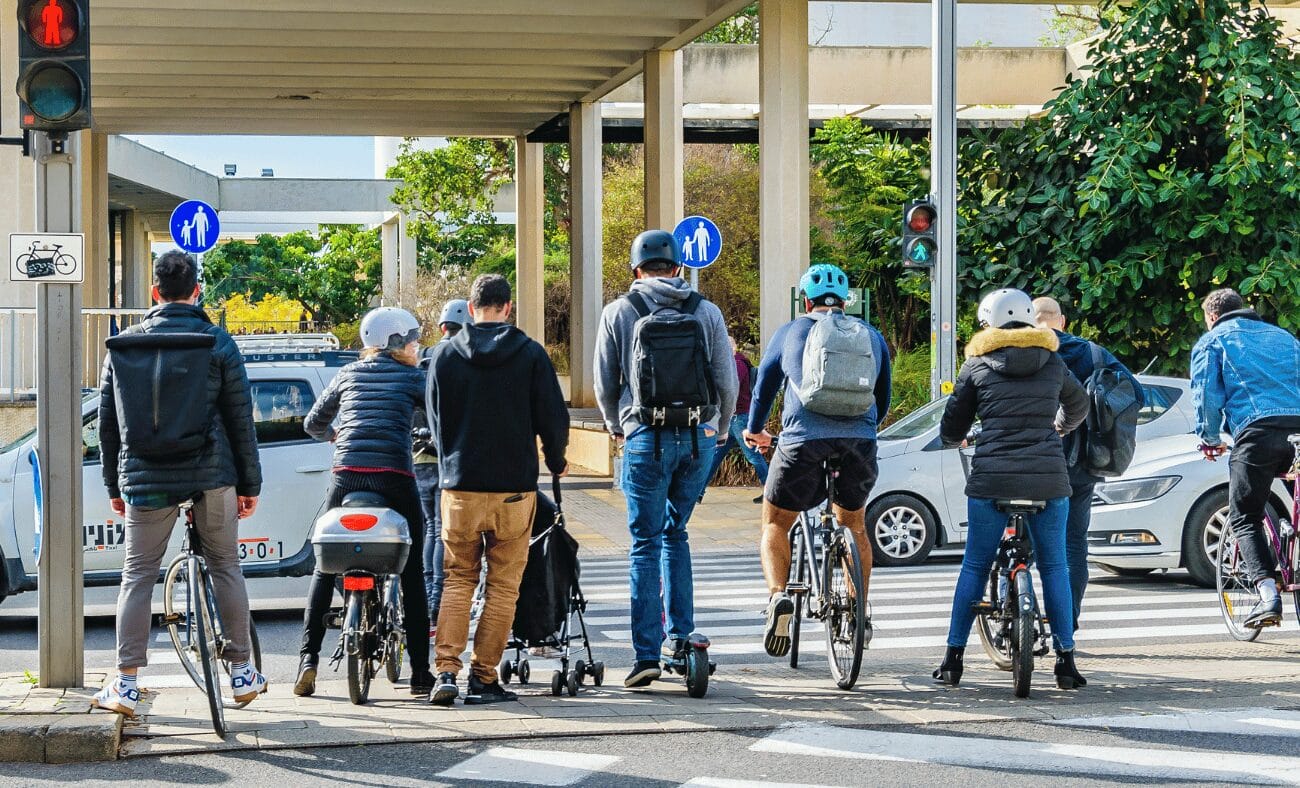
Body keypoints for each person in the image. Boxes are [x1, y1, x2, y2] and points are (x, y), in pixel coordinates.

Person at [93, 250, 266, 715]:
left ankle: (126, 683)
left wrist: (114, 486)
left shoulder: (123, 347)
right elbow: (239, 421)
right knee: (226, 564)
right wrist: (249, 484)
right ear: (196, 292)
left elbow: (110, 426)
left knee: (137, 574)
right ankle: (243, 672)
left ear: (154, 293)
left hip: (146, 479)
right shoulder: (218, 343)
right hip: (212, 476)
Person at [594, 229, 738, 688]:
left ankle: (645, 655)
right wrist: (719, 428)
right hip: (697, 438)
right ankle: (682, 638)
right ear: (678, 268)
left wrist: (618, 426)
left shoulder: (620, 311)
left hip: (644, 438)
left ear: (636, 270)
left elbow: (604, 382)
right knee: (677, 534)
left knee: (644, 544)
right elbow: (726, 380)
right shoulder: (706, 311)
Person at [933, 288, 1089, 690]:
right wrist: (1059, 427)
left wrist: (960, 438)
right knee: (1055, 565)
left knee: (975, 565)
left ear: (989, 324)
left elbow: (951, 426)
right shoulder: (1054, 363)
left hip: (992, 478)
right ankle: (1066, 662)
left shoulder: (977, 365)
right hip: (1048, 477)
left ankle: (952, 660)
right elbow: (1080, 405)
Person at [426, 274, 569, 706]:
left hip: (460, 488)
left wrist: (452, 459)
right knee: (503, 588)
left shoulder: (445, 355)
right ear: (508, 308)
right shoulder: (529, 354)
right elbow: (552, 418)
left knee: (457, 580)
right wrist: (556, 459)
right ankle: (484, 678)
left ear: (471, 309)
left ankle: (446, 673)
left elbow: (436, 421)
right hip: (514, 489)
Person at [744, 263, 891, 659]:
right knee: (854, 525)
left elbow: (764, 390)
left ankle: (778, 597)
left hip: (801, 442)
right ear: (846, 302)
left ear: (805, 300)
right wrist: (863, 431)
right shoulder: (870, 336)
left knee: (776, 521)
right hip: (859, 442)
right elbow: (884, 395)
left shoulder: (790, 332)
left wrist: (756, 430)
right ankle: (858, 608)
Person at [295, 307, 433, 699]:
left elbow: (312, 424)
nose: (416, 345)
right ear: (396, 343)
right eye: (412, 339)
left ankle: (308, 660)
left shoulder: (347, 374)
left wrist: (336, 436)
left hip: (347, 475)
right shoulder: (412, 378)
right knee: (413, 568)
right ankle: (422, 673)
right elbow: (437, 417)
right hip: (395, 477)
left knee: (324, 566)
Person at [1033, 296, 1144, 629]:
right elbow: (1136, 394)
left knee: (1036, 542)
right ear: (1062, 321)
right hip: (1083, 463)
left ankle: (1024, 607)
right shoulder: (1093, 353)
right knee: (1074, 544)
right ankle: (1069, 619)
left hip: (1036, 460)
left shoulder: (1027, 354)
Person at [1192, 288, 1300, 628]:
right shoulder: (1284, 338)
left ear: (1211, 317)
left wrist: (1209, 439)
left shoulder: (1213, 342)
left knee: (1245, 516)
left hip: (1259, 433)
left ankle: (1268, 595)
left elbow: (1207, 396)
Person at [415, 299, 473, 640]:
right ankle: (435, 602)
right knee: (441, 530)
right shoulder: (463, 360)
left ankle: (425, 599)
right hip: (448, 459)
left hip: (419, 458)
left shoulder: (421, 360)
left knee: (429, 528)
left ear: (441, 328)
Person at [703, 336, 769, 504]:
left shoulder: (737, 364)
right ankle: (697, 492)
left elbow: (731, 387)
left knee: (753, 455)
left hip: (739, 418)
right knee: (715, 455)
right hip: (733, 419)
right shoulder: (734, 363)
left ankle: (770, 492)